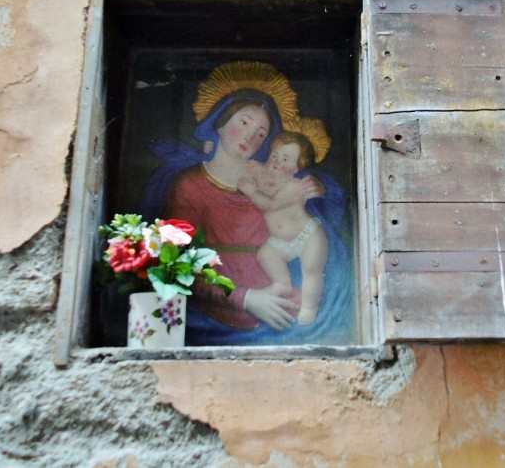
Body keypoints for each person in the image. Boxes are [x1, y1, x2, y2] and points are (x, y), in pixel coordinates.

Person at [138, 61, 353, 345]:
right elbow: (176, 266)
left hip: (280, 306)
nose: (251, 136)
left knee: (328, 327)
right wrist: (246, 298)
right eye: (244, 122)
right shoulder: (189, 186)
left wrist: (321, 188)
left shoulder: (273, 181)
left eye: (262, 133)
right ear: (221, 122)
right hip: (215, 312)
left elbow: (325, 213)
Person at [237, 123, 331, 326]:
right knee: (265, 254)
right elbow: (246, 165)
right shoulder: (266, 176)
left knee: (312, 272)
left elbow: (271, 205)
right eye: (274, 156)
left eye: (285, 159)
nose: (277, 162)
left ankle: (309, 308)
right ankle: (283, 283)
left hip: (308, 236)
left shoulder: (295, 186)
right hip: (280, 241)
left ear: (296, 168)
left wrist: (252, 191)